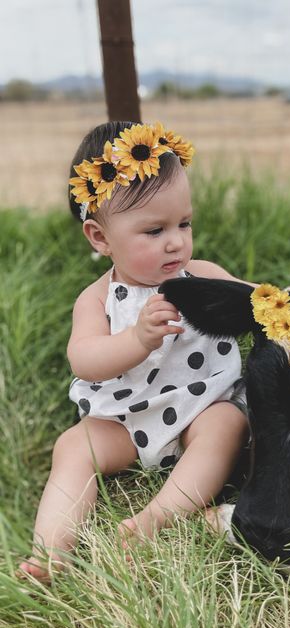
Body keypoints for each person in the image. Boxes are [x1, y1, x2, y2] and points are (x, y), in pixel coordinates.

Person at [18, 121, 252, 581]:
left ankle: (153, 520)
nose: (176, 241)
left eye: (184, 223)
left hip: (200, 405)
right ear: (100, 238)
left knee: (227, 425)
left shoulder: (200, 274)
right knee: (74, 446)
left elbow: (255, 302)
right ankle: (51, 552)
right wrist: (136, 340)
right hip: (127, 420)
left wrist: (288, 298)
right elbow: (83, 358)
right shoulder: (97, 299)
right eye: (153, 230)